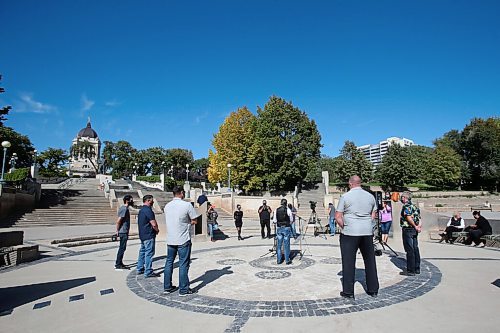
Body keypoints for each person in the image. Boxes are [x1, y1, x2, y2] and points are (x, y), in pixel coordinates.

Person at [335, 175, 379, 299]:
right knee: (370, 260)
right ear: (360, 183)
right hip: (366, 231)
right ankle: (373, 289)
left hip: (350, 232)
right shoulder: (370, 196)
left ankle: (348, 292)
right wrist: (367, 225)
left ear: (350, 183)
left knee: (348, 261)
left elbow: (338, 216)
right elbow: (373, 214)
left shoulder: (346, 196)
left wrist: (346, 226)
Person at [163, 186, 200, 296]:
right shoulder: (187, 205)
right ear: (181, 193)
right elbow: (195, 220)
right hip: (183, 238)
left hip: (170, 238)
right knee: (183, 264)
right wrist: (188, 222)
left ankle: (167, 286)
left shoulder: (167, 206)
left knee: (169, 262)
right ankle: (183, 289)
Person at [137, 194, 160, 277]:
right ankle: (148, 271)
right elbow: (153, 223)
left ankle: (139, 268)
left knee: (142, 252)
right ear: (148, 201)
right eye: (152, 200)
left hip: (142, 235)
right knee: (149, 253)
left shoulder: (141, 210)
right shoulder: (148, 210)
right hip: (149, 235)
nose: (153, 202)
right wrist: (157, 230)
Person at [400, 191, 422, 276]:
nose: (401, 199)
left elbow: (408, 218)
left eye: (402, 197)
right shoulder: (415, 206)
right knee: (415, 248)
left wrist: (415, 226)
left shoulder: (406, 207)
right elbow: (420, 218)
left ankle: (411, 270)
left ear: (405, 198)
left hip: (408, 229)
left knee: (410, 249)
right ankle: (417, 268)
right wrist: (418, 226)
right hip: (414, 230)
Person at [115, 195, 134, 271]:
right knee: (122, 248)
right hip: (123, 231)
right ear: (127, 200)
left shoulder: (124, 208)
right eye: (131, 200)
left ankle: (119, 262)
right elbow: (119, 220)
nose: (132, 201)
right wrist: (117, 230)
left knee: (122, 248)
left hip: (124, 231)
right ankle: (118, 264)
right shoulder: (124, 209)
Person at [273, 198, 294, 265]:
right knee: (286, 244)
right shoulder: (288, 210)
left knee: (279, 245)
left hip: (279, 227)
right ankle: (287, 260)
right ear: (286, 203)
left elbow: (274, 220)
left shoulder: (276, 210)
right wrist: (288, 224)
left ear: (281, 203)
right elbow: (291, 220)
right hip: (286, 227)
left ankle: (279, 260)